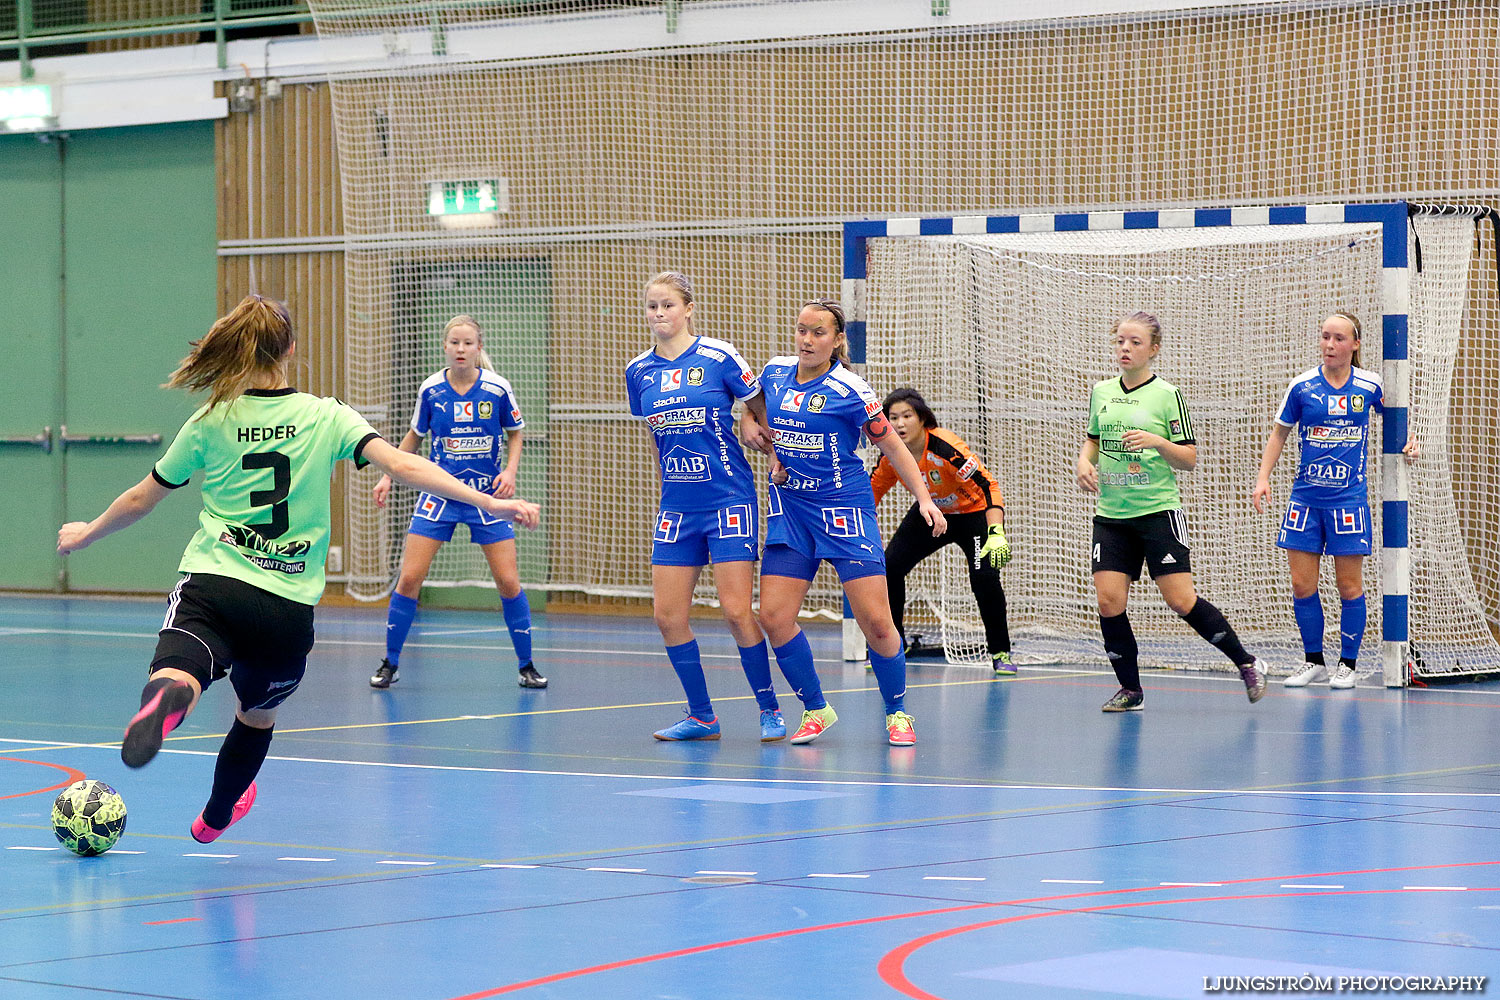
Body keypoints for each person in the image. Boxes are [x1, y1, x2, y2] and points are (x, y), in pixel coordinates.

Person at [56, 295, 540, 843]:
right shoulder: (325, 415)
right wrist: (492, 503)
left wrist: (88, 531)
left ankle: (170, 697)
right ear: (289, 349)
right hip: (285, 606)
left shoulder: (212, 418)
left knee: (181, 668)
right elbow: (405, 464)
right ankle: (214, 817)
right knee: (255, 714)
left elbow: (144, 497)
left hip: (214, 583)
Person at [754, 299, 947, 747]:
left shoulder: (850, 389)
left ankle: (898, 711)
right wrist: (754, 430)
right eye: (802, 330)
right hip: (791, 508)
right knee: (774, 616)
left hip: (844, 508)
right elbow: (753, 408)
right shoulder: (774, 372)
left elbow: (896, 449)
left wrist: (924, 500)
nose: (807, 339)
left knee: (877, 623)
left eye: (818, 332)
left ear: (837, 340)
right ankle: (815, 708)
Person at [1075, 311, 1265, 712]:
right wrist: (1083, 462)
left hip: (1158, 512)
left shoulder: (1167, 395)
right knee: (1109, 602)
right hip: (1111, 515)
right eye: (1120, 341)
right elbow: (1092, 438)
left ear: (1153, 350)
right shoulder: (1102, 391)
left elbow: (1189, 459)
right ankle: (1131, 690)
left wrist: (1157, 441)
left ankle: (1246, 662)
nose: (1125, 348)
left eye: (1135, 342)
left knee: (1181, 600)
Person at [625, 272, 785, 742]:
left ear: (688, 308)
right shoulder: (639, 371)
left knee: (737, 611)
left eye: (668, 305)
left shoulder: (718, 356)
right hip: (678, 507)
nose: (659, 314)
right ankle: (702, 716)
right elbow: (657, 439)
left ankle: (769, 708)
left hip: (728, 500)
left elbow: (761, 407)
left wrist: (765, 443)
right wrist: (667, 490)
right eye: (652, 306)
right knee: (667, 616)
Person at [369, 315, 545, 691]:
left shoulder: (497, 389)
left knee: (508, 581)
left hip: (487, 496)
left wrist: (510, 472)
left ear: (479, 348)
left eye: (468, 343)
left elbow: (516, 433)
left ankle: (527, 665)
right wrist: (387, 475)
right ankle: (390, 662)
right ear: (445, 347)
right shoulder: (431, 390)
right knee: (410, 577)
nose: (461, 349)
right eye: (454, 343)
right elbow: (413, 439)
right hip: (440, 493)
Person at [1252, 311, 1417, 689]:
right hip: (1305, 500)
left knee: (1349, 587)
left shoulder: (1370, 386)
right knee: (1301, 585)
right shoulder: (1302, 387)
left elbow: (1395, 418)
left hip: (1348, 502)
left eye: (1339, 338)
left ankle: (1348, 664)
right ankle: (1313, 661)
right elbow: (1279, 434)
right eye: (1325, 337)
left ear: (1355, 344)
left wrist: (1410, 437)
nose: (1330, 344)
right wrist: (1263, 479)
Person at [872, 388, 1014, 676]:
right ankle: (895, 645)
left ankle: (1000, 650)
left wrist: (995, 530)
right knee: (890, 567)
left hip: (973, 515)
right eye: (893, 418)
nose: (899, 424)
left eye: (907, 416)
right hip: (933, 514)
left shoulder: (945, 448)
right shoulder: (891, 455)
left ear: (922, 418)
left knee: (984, 577)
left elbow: (989, 486)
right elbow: (870, 491)